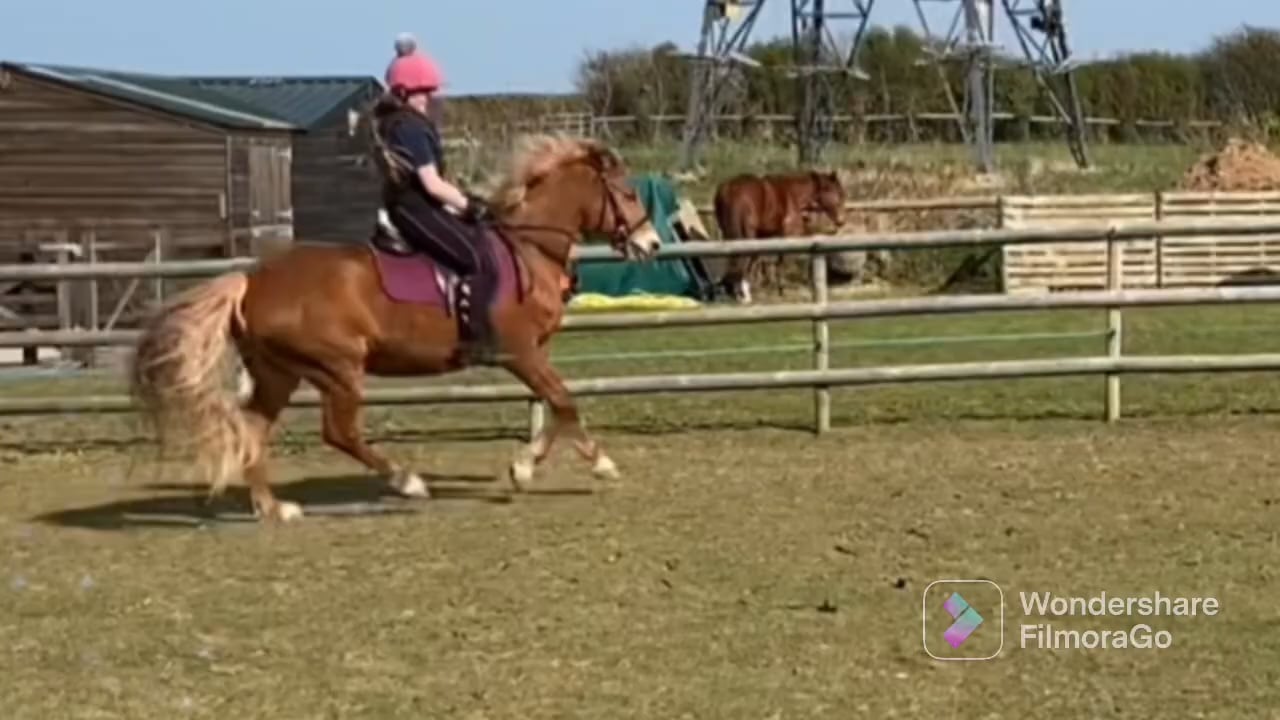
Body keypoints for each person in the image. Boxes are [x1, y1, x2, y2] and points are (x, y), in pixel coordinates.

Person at [370, 33, 499, 362]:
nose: (430, 97)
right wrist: (471, 206)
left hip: (418, 205)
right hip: (415, 208)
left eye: (431, 90)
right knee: (474, 257)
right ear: (402, 93)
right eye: (422, 92)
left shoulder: (405, 122)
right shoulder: (408, 128)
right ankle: (474, 341)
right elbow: (431, 183)